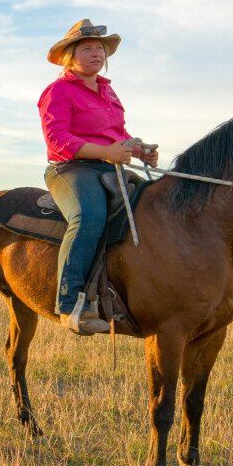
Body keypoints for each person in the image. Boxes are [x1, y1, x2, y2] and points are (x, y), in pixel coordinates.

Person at [37, 19, 157, 335]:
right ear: (69, 56)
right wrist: (105, 153)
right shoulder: (58, 91)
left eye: (100, 48)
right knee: (88, 217)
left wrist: (138, 148)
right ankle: (70, 304)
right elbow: (57, 140)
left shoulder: (107, 90)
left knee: (156, 206)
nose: (97, 53)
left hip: (110, 167)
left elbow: (117, 134)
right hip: (72, 168)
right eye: (88, 48)